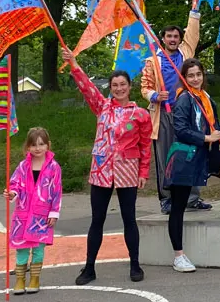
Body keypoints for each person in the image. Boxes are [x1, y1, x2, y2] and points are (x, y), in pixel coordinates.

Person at [62, 49, 151, 285]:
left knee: (129, 219)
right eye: (114, 85)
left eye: (122, 84)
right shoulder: (102, 107)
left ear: (129, 86)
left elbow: (145, 146)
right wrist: (73, 64)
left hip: (127, 171)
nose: (119, 88)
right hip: (101, 170)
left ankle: (135, 265)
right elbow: (86, 87)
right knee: (97, 219)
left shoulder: (140, 114)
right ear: (110, 88)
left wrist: (143, 172)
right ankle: (89, 268)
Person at [164, 58, 220, 273]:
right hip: (185, 160)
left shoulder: (205, 98)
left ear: (203, 75)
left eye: (198, 74)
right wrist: (206, 138)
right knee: (178, 207)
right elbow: (181, 130)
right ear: (184, 78)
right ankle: (179, 256)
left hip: (203, 157)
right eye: (191, 75)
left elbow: (217, 127)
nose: (195, 78)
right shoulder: (184, 99)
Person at [142, 0, 212, 214]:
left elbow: (193, 31)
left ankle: (192, 197)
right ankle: (167, 199)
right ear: (162, 38)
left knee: (191, 153)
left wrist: (194, 6)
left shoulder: (185, 52)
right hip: (163, 114)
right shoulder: (152, 60)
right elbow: (144, 86)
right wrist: (154, 96)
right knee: (165, 157)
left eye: (176, 36)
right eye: (169, 36)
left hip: (188, 112)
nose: (173, 39)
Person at [5, 127, 62, 295]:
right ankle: (20, 280)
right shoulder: (23, 166)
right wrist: (12, 193)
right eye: (34, 145)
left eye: (41, 144)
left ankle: (35, 279)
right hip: (23, 215)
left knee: (38, 248)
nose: (38, 148)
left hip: (42, 215)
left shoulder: (53, 167)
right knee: (21, 247)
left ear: (48, 145)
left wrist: (54, 212)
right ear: (27, 147)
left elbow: (57, 191)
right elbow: (15, 184)